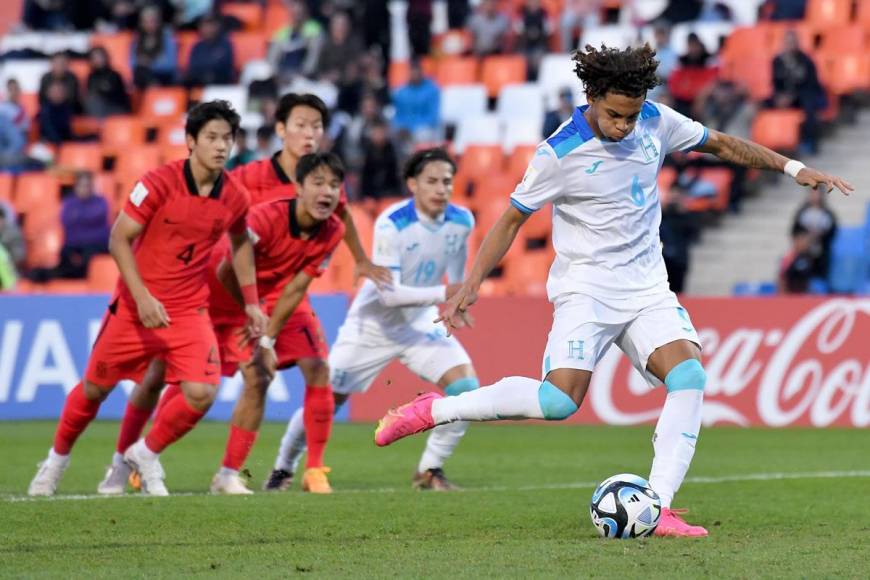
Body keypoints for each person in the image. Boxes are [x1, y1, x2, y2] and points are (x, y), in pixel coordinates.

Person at [373, 44, 853, 536]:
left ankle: (658, 507)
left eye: (632, 115)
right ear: (594, 96)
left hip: (647, 286)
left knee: (688, 377)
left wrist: (795, 169)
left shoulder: (655, 120)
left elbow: (723, 145)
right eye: (615, 115)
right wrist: (471, 284)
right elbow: (513, 218)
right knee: (559, 403)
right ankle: (432, 410)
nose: (625, 125)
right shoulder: (559, 152)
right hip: (586, 289)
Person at [95, 94, 390, 495]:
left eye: (316, 126)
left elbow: (343, 218)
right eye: (301, 125)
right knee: (167, 377)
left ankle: (285, 470)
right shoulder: (248, 178)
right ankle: (131, 458)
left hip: (281, 293)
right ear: (281, 129)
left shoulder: (325, 183)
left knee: (299, 370)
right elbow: (222, 230)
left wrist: (360, 258)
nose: (309, 133)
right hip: (224, 289)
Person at [27, 100, 268, 497]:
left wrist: (253, 302)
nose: (221, 146)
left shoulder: (235, 196)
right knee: (94, 389)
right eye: (211, 137)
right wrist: (141, 298)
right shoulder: (158, 182)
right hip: (136, 306)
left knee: (202, 392)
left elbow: (241, 242)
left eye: (227, 138)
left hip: (189, 308)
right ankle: (56, 461)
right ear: (190, 141)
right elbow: (118, 239)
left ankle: (143, 452)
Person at [267, 148, 478, 492]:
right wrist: (447, 293)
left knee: (466, 390)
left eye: (447, 182)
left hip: (420, 323)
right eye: (432, 181)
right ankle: (282, 468)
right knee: (328, 399)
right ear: (412, 184)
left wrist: (456, 303)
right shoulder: (392, 223)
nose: (441, 189)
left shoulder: (462, 220)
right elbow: (389, 295)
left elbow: (456, 273)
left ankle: (430, 469)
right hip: (373, 325)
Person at [770, 30, 824, 155]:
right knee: (763, 104)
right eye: (788, 42)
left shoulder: (806, 61)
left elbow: (812, 84)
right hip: (783, 96)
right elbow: (775, 83)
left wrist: (792, 96)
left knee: (809, 106)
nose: (790, 45)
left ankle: (809, 141)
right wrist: (780, 97)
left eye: (792, 42)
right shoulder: (777, 61)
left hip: (802, 95)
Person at [56, 171, 111, 279]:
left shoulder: (101, 202)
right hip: (73, 246)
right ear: (75, 187)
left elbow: (97, 222)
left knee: (89, 253)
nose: (84, 189)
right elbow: (66, 223)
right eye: (81, 186)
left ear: (92, 187)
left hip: (95, 246)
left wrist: (78, 219)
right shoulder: (68, 203)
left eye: (87, 186)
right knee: (65, 254)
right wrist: (87, 222)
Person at [790, 186, 837, 278]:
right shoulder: (802, 212)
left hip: (820, 255)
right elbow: (795, 231)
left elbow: (832, 233)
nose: (814, 196)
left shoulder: (827, 214)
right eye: (812, 193)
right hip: (804, 253)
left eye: (816, 193)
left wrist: (818, 237)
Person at [392, 61, 440, 144]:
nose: (414, 74)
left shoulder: (432, 90)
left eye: (416, 71)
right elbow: (397, 114)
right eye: (412, 72)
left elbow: (433, 116)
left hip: (423, 128)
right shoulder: (401, 92)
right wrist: (401, 126)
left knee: (422, 135)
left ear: (421, 72)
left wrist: (413, 127)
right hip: (404, 129)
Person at [131, 4, 179, 89]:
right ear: (141, 23)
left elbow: (171, 64)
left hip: (163, 76)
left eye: (152, 21)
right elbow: (133, 63)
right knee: (140, 72)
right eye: (146, 21)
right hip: (143, 76)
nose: (150, 24)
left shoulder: (167, 38)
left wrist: (150, 63)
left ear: (159, 21)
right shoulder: (137, 40)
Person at [185, 13, 235, 87]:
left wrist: (206, 68)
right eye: (204, 25)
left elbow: (224, 67)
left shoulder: (226, 44)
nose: (208, 28)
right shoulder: (197, 46)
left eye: (210, 25)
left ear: (217, 26)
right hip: (199, 83)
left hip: (220, 83)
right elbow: (193, 67)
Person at [359, 119, 401, 200]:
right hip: (369, 195)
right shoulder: (366, 152)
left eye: (381, 133)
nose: (379, 136)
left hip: (390, 193)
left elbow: (395, 177)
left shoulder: (392, 151)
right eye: (376, 133)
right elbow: (364, 179)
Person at [85, 46, 131, 117]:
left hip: (116, 108)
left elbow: (119, 98)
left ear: (106, 57)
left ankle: (99, 126)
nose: (97, 60)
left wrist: (102, 92)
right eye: (94, 57)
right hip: (99, 109)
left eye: (99, 56)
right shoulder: (91, 77)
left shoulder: (114, 75)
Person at [37, 79, 73, 144]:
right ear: (48, 94)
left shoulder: (66, 109)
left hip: (66, 143)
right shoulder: (45, 111)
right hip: (50, 144)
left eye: (60, 91)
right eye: (55, 91)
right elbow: (49, 131)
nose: (58, 94)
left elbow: (68, 133)